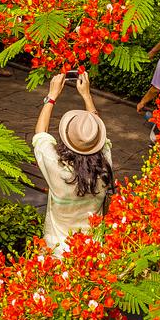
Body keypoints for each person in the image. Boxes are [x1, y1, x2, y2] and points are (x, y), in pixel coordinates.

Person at [33, 72, 114, 256]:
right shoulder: (104, 164)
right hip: (93, 253)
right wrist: (87, 95)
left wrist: (52, 96)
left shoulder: (56, 166)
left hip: (57, 252)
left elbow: (40, 134)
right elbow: (98, 137)